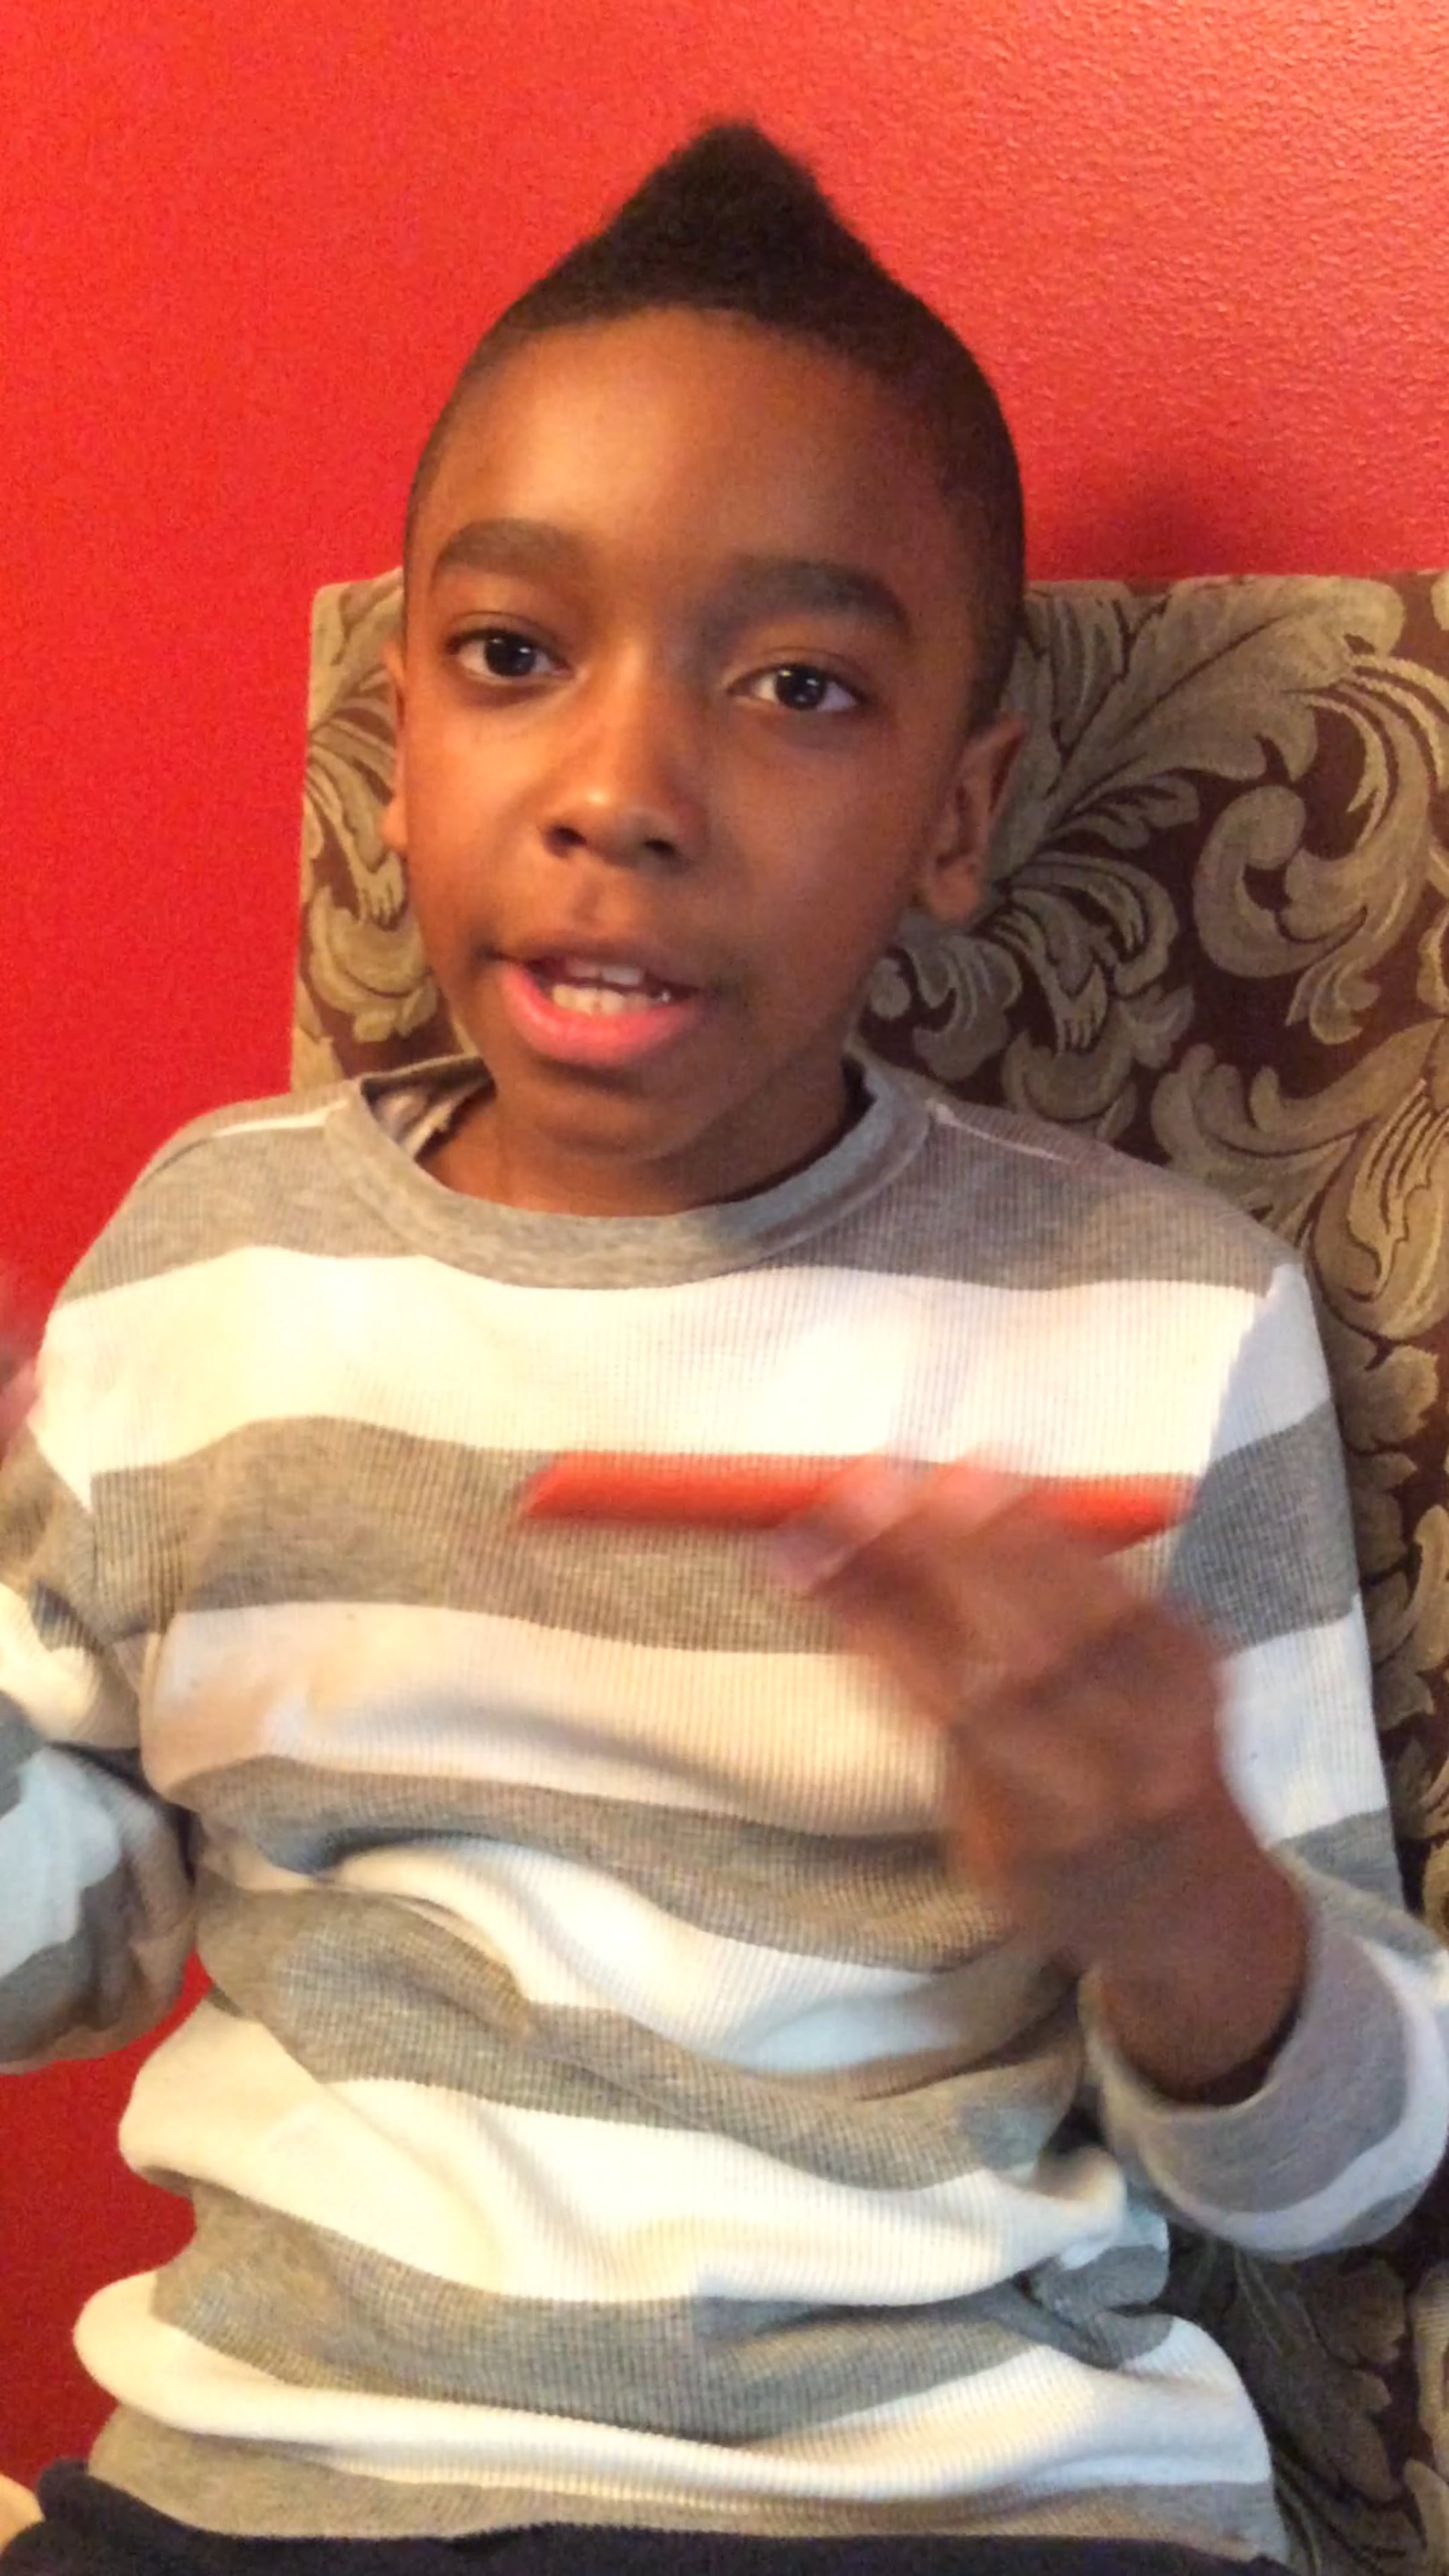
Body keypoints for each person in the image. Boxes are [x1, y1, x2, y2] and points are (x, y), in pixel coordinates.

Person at [1, 124, 1444, 2576]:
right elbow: (71, 1937)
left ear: (960, 813)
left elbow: (1346, 2175)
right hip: (267, 2489)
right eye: (513, 656)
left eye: (796, 685)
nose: (621, 792)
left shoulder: (1158, 1323)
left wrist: (1183, 1889)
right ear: (397, 737)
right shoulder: (207, 1263)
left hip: (975, 2504)